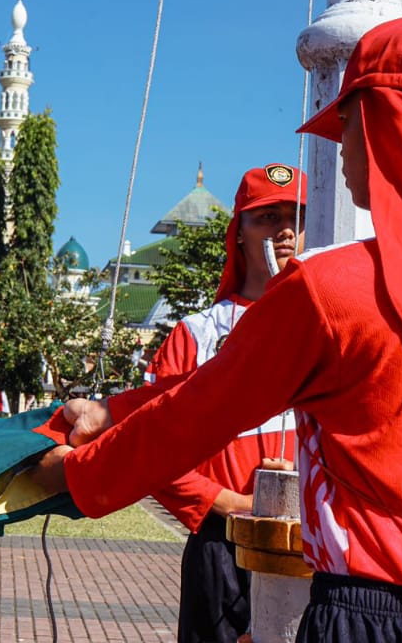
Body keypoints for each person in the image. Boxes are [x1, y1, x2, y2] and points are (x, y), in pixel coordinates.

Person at [36, 15, 402, 642]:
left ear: (386, 125)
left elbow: (202, 409)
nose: (340, 150)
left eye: (347, 125)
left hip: (371, 615)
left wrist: (75, 474)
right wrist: (113, 412)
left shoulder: (333, 289)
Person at [144, 164, 302, 643]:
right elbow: (153, 449)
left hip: (313, 545)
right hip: (222, 546)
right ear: (238, 233)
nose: (285, 230)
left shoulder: (330, 326)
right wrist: (230, 502)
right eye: (267, 217)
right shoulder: (197, 333)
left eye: (294, 215)